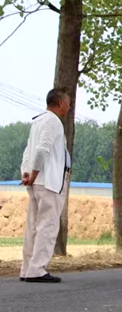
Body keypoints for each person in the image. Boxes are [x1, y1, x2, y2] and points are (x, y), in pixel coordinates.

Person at [19, 88, 71, 283]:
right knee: (47, 225)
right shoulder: (53, 121)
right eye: (68, 102)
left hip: (36, 181)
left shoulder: (38, 121)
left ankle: (27, 268)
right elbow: (42, 150)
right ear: (60, 103)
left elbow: (28, 150)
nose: (69, 106)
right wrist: (33, 173)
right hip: (49, 181)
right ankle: (37, 269)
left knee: (33, 226)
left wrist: (26, 173)